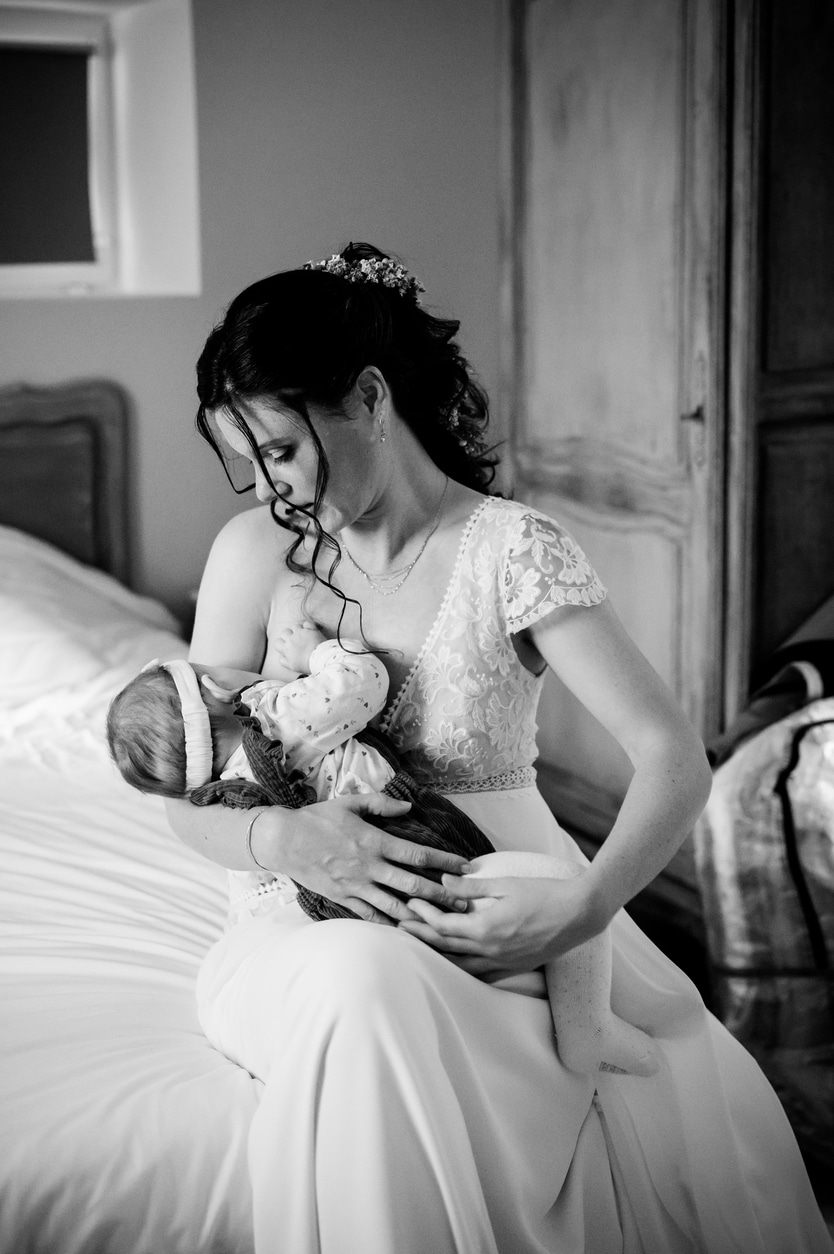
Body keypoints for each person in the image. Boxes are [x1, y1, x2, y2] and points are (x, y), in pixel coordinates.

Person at [165, 242, 834, 1253]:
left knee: (583, 1041)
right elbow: (181, 791)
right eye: (244, 463)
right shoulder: (253, 556)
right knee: (363, 980)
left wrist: (585, 905)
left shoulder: (512, 550)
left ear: (371, 398)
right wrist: (289, 845)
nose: (266, 491)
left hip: (504, 915)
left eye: (281, 451)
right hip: (294, 923)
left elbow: (672, 757)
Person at [107, 623, 658, 1077]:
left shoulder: (221, 799)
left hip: (335, 916)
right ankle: (587, 1027)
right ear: (216, 692)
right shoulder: (276, 716)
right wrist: (316, 652)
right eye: (208, 670)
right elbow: (360, 684)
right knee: (559, 884)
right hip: (409, 856)